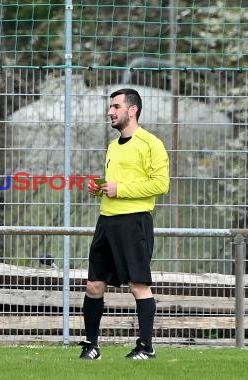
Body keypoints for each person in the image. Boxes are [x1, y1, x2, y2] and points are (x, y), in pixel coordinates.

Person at [79, 88, 169, 360]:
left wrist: (121, 188)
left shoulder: (151, 143)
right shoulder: (111, 146)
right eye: (111, 107)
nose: (110, 111)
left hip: (134, 222)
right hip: (106, 221)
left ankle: (146, 347)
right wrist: (100, 189)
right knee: (94, 285)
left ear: (133, 110)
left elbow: (161, 184)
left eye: (116, 106)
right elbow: (115, 185)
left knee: (138, 286)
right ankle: (92, 346)